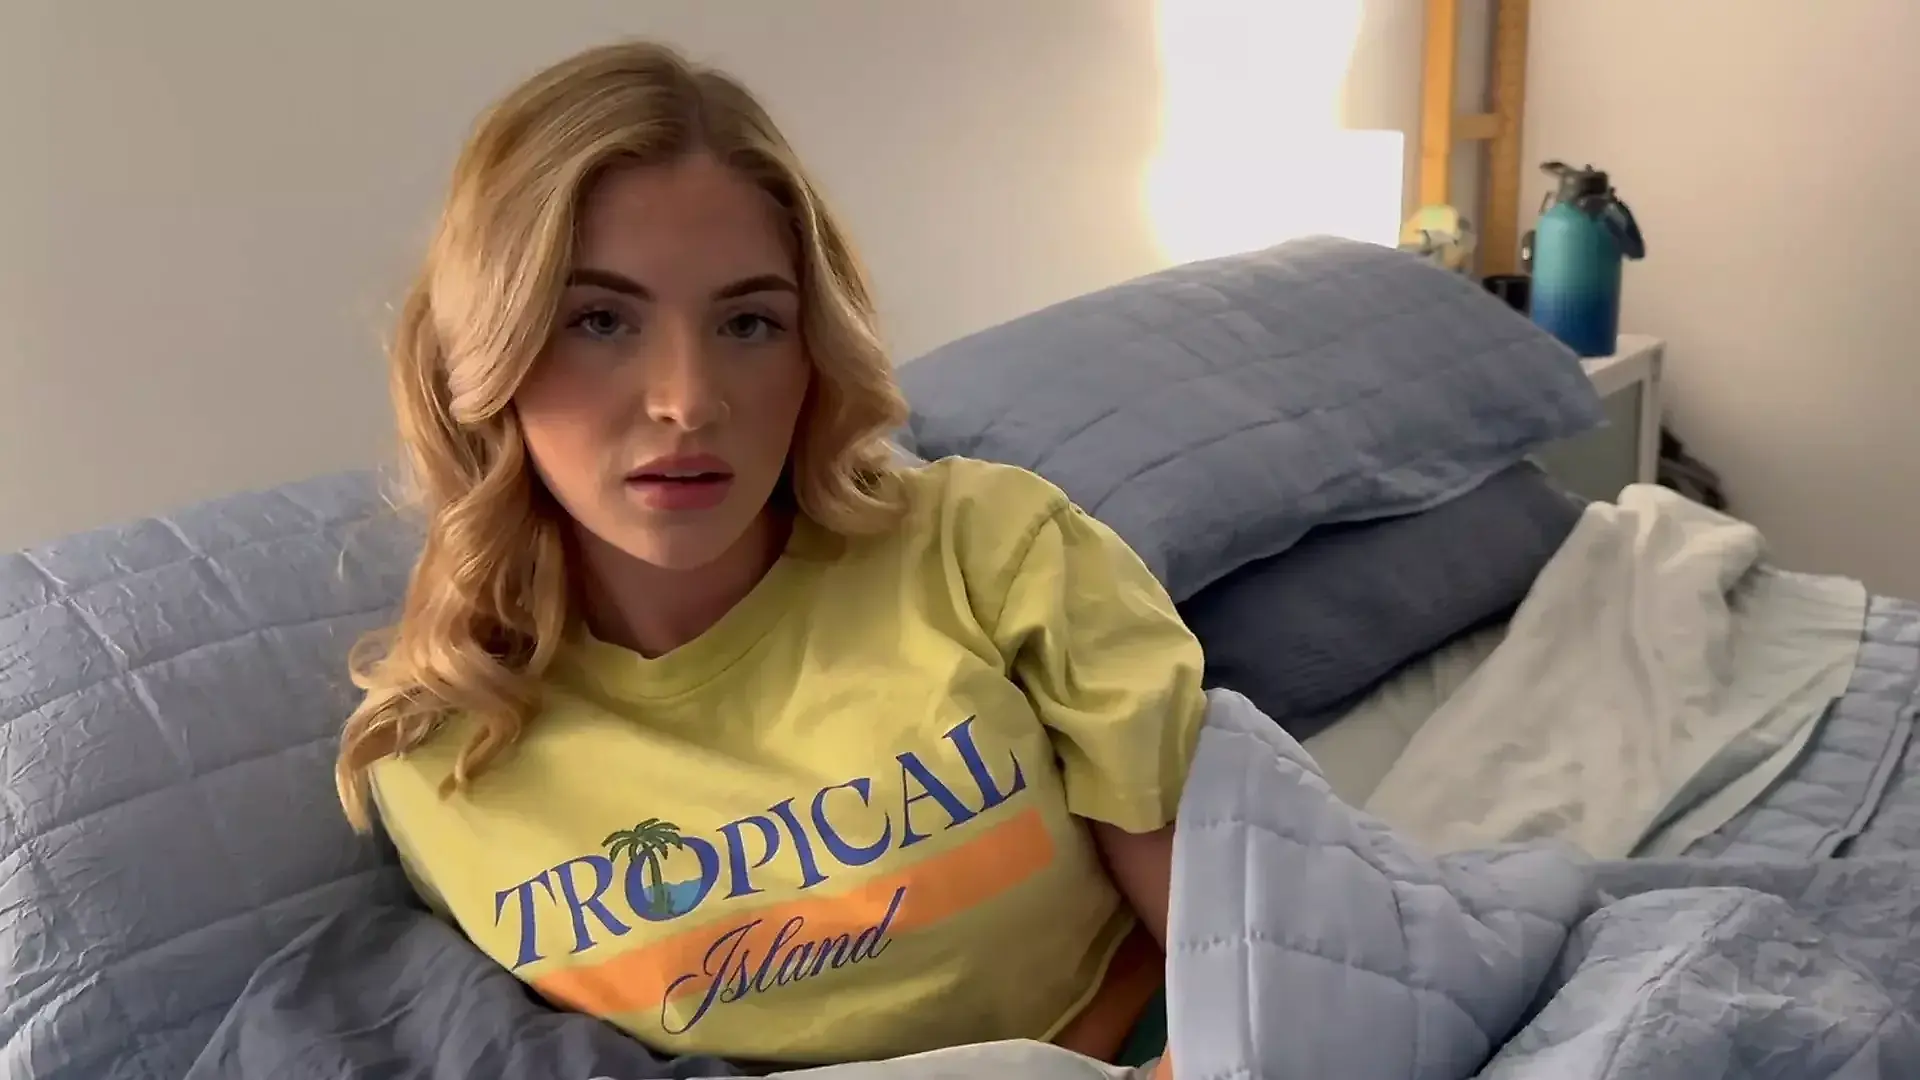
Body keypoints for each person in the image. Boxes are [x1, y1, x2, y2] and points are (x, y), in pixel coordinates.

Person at [333, 40, 1202, 1076]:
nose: (688, 401)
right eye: (599, 320)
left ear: (811, 349)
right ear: (488, 355)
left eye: (748, 322)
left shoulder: (987, 549)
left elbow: (1234, 945)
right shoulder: (435, 758)